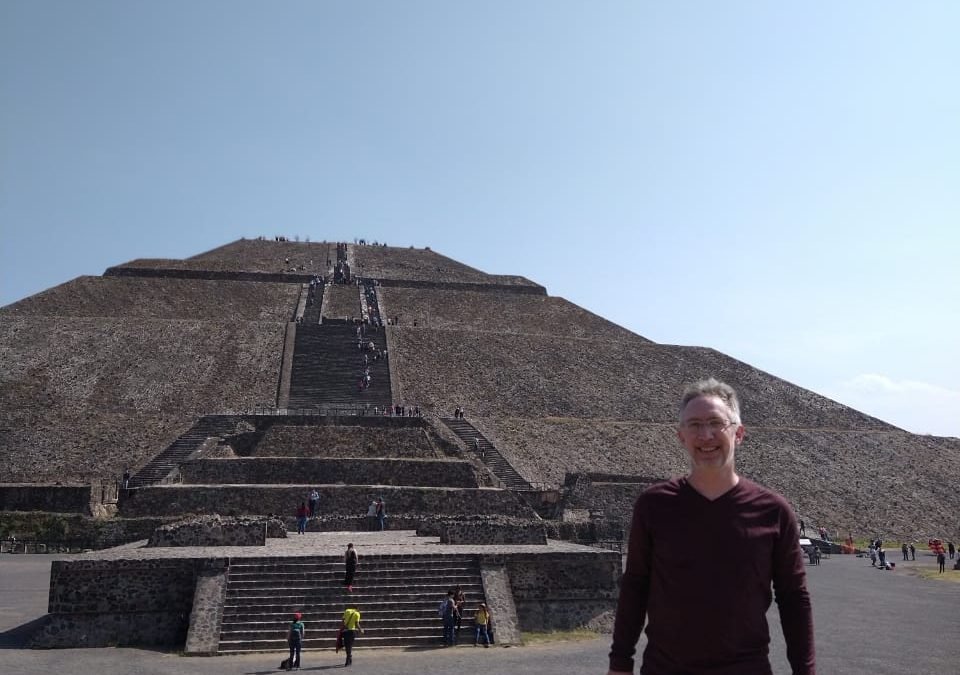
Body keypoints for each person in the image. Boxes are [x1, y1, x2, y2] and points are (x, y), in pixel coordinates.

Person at [608, 378, 815, 675]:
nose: (705, 435)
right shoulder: (653, 506)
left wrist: (804, 670)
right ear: (681, 436)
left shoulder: (774, 512)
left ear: (739, 433)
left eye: (716, 423)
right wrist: (620, 663)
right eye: (694, 425)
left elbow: (794, 597)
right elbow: (636, 585)